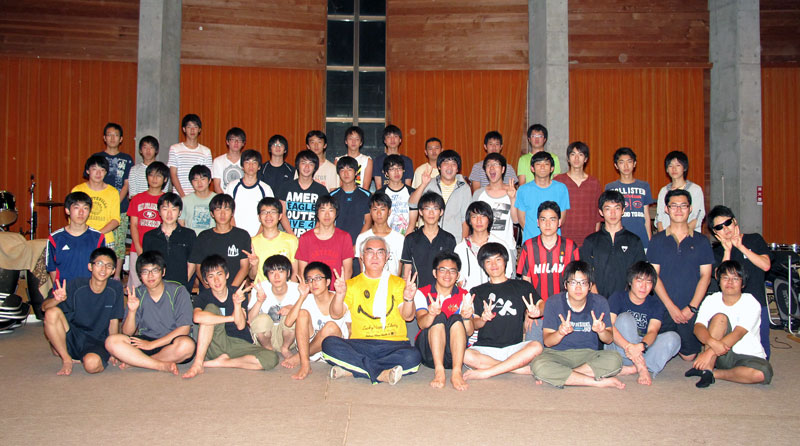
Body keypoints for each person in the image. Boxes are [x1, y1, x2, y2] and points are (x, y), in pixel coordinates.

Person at [321, 236, 422, 385]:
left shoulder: (399, 284)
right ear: (362, 256)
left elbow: (408, 317)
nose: (375, 257)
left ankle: (354, 369)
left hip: (393, 345)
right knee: (328, 344)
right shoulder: (351, 284)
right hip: (360, 344)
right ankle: (381, 373)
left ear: (387, 257)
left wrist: (408, 299)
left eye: (380, 252)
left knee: (413, 357)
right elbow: (335, 314)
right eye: (370, 252)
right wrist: (339, 295)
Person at [530, 260, 625, 389]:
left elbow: (608, 340)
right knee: (538, 365)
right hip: (557, 355)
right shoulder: (553, 302)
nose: (578, 288)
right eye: (573, 282)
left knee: (615, 359)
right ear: (565, 284)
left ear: (590, 285)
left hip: (588, 355)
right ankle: (595, 382)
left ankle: (565, 376)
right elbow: (547, 342)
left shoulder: (600, 302)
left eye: (583, 283)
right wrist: (560, 333)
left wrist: (601, 331)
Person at [182, 255, 279, 378]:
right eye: (211, 276)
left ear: (227, 275)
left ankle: (224, 362)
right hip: (216, 343)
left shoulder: (237, 293)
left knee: (271, 358)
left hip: (239, 343)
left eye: (219, 274)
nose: (216, 280)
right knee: (211, 309)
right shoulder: (203, 297)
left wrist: (237, 304)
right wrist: (230, 318)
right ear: (206, 280)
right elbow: (197, 318)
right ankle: (198, 364)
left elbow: (241, 326)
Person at [647, 189, 713, 360]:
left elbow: (706, 276)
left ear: (690, 209)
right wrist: (671, 307)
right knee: (656, 346)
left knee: (689, 356)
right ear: (666, 209)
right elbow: (654, 276)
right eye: (673, 206)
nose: (678, 210)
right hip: (663, 307)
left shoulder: (701, 241)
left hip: (689, 307)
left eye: (683, 206)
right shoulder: (657, 240)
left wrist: (692, 307)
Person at [104, 251, 195, 374]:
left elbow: (184, 329)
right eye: (145, 272)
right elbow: (127, 332)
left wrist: (152, 345)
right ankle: (159, 365)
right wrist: (132, 311)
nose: (150, 276)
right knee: (111, 341)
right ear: (140, 276)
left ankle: (139, 361)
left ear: (163, 272)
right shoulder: (137, 294)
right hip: (144, 340)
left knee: (187, 346)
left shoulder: (178, 291)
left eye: (155, 270)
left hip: (171, 341)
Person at [462, 243, 543, 380]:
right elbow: (475, 324)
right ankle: (517, 368)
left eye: (498, 259)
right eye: (488, 261)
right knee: (465, 355)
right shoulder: (477, 291)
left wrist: (537, 311)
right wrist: (483, 319)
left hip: (514, 348)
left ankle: (488, 371)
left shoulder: (522, 286)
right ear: (483, 265)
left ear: (505, 261)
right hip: (486, 348)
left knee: (537, 346)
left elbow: (541, 304)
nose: (493, 264)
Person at [686, 260, 773, 388]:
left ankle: (713, 373)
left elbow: (738, 333)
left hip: (746, 355)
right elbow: (698, 327)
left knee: (762, 374)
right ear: (719, 280)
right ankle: (708, 369)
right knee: (720, 318)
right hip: (719, 356)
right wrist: (712, 342)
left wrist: (708, 353)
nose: (730, 282)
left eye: (735, 279)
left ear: (743, 283)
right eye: (725, 278)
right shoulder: (711, 299)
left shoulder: (751, 302)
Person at [42, 247, 123, 376]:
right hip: (75, 334)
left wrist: (113, 351)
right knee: (51, 313)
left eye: (108, 266)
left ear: (113, 271)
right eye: (99, 264)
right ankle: (66, 358)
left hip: (97, 340)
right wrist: (56, 300)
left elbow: (114, 321)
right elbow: (44, 308)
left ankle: (65, 350)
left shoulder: (115, 288)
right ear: (90, 266)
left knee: (92, 365)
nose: (103, 269)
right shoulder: (76, 285)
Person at [707, 205, 773, 357]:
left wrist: (741, 247)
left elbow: (765, 265)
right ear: (715, 233)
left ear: (735, 221)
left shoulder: (754, 239)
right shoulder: (717, 251)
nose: (726, 229)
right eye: (719, 227)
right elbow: (720, 277)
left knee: (762, 355)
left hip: (757, 303)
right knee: (727, 351)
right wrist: (727, 251)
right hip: (730, 307)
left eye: (728, 223)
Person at [605, 261, 680, 385]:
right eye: (639, 281)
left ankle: (632, 368)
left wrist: (641, 346)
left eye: (648, 282)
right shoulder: (618, 297)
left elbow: (653, 331)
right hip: (620, 348)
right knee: (625, 318)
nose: (643, 286)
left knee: (674, 338)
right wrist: (628, 346)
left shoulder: (656, 304)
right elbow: (610, 326)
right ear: (630, 282)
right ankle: (641, 367)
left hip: (641, 348)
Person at [412, 252, 472, 390]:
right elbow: (421, 323)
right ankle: (439, 371)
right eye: (442, 270)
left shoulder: (465, 295)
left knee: (457, 319)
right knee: (438, 317)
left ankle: (457, 372)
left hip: (454, 353)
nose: (447, 275)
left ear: (457, 275)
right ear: (435, 273)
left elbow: (469, 331)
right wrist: (431, 314)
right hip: (428, 352)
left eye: (452, 271)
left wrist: (467, 318)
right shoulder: (422, 293)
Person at [282, 261, 351, 380]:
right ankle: (305, 364)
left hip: (332, 350)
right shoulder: (307, 299)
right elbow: (288, 323)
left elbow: (350, 328)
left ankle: (300, 356)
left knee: (330, 327)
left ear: (328, 282)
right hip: (308, 347)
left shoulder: (340, 297)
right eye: (309, 280)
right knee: (302, 314)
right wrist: (302, 296)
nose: (313, 283)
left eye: (318, 278)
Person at [580, 190, 646, 298]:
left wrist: (626, 298)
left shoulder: (634, 241)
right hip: (596, 300)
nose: (613, 213)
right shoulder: (590, 241)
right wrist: (597, 299)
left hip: (626, 301)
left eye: (617, 208)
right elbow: (585, 273)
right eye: (608, 209)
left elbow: (639, 274)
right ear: (601, 212)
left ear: (623, 210)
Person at [517, 201, 579, 303]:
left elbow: (576, 279)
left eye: (552, 219)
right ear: (538, 222)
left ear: (559, 222)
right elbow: (526, 281)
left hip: (564, 304)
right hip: (537, 305)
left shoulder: (570, 247)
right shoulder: (528, 246)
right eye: (543, 219)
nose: (547, 224)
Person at [94, 123, 134, 278]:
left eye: (116, 135)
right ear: (104, 138)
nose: (112, 138)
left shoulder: (127, 159)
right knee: (99, 240)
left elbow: (126, 184)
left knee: (119, 243)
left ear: (121, 139)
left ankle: (116, 275)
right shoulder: (97, 158)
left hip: (120, 207)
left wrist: (115, 203)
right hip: (100, 208)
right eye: (109, 135)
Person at [188, 194, 251, 290]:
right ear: (212, 213)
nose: (222, 214)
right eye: (218, 209)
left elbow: (244, 267)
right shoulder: (203, 237)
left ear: (232, 212)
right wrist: (211, 290)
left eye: (226, 209)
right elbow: (199, 267)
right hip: (209, 292)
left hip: (236, 292)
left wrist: (231, 291)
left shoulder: (242, 235)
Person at [247, 255, 300, 360]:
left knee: (292, 315)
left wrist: (292, 308)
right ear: (267, 275)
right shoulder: (260, 288)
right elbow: (250, 320)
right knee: (262, 319)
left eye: (281, 272)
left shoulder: (297, 289)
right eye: (271, 272)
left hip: (287, 335)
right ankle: (268, 349)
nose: (276, 277)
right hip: (265, 336)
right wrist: (259, 301)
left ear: (288, 273)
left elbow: (306, 317)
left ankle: (285, 348)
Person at [47, 192, 106, 283]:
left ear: (89, 212)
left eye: (85, 208)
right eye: (76, 208)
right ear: (67, 210)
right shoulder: (55, 238)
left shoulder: (98, 238)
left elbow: (101, 267)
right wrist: (59, 288)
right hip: (64, 290)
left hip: (89, 289)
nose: (81, 212)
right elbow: (52, 269)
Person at [401, 192, 457, 289]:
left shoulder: (449, 239)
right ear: (420, 212)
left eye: (435, 208)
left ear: (441, 212)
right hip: (416, 292)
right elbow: (407, 271)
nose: (431, 213)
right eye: (427, 208)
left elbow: (452, 270)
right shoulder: (410, 239)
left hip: (441, 292)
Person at [454, 201, 514, 292]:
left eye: (483, 216)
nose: (479, 221)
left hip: (496, 294)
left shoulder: (500, 245)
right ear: (469, 220)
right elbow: (458, 276)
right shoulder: (460, 248)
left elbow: (508, 272)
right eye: (474, 217)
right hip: (469, 296)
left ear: (489, 219)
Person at [142, 193, 197, 291]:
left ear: (180, 212)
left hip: (181, 289)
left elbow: (192, 264)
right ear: (159, 211)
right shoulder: (149, 236)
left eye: (174, 209)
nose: (169, 214)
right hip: (156, 289)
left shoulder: (189, 235)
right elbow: (147, 265)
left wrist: (181, 287)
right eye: (165, 209)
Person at [127, 161, 169, 288]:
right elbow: (133, 225)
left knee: (158, 284)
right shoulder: (137, 199)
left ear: (165, 179)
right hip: (137, 248)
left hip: (159, 249)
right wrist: (139, 248)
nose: (154, 179)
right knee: (136, 285)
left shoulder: (167, 200)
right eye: (151, 175)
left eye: (159, 175)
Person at [604, 147, 655, 249]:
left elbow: (646, 216)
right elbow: (607, 216)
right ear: (616, 165)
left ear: (634, 163)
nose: (626, 166)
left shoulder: (644, 186)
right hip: (619, 238)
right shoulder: (610, 187)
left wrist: (649, 240)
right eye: (622, 162)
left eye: (629, 161)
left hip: (641, 238)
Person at [295, 195, 354, 281]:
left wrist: (341, 287)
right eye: (323, 210)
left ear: (336, 213)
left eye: (331, 210)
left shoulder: (344, 237)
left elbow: (348, 270)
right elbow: (302, 271)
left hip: (337, 288)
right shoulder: (305, 238)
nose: (327, 215)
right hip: (312, 288)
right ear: (317, 213)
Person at [554, 141, 602, 246]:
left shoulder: (594, 182)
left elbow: (597, 214)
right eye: (573, 154)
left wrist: (596, 237)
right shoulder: (558, 181)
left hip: (588, 238)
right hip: (563, 238)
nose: (576, 158)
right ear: (568, 159)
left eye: (580, 154)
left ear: (586, 159)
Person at [515, 151, 570, 243]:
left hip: (554, 241)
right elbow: (522, 220)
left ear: (552, 168)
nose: (542, 167)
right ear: (532, 168)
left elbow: (562, 218)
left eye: (546, 164)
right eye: (538, 164)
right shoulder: (523, 190)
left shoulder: (561, 188)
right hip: (530, 242)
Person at [71, 155, 120, 255]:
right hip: (81, 238)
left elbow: (115, 220)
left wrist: (96, 234)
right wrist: (84, 235)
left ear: (106, 172)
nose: (98, 173)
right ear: (88, 171)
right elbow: (72, 216)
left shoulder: (113, 192)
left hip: (105, 239)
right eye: (94, 169)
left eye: (102, 170)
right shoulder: (78, 190)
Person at [419, 150, 472, 242]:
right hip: (429, 240)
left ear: (458, 169)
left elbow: (465, 219)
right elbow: (412, 204)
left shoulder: (464, 188)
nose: (449, 167)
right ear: (439, 166)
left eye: (453, 164)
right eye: (446, 163)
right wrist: (423, 185)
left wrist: (463, 244)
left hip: (454, 240)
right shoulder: (429, 184)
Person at [472, 152, 518, 255]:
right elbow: (473, 221)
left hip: (507, 248)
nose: (492, 168)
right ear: (485, 170)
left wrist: (512, 198)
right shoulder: (479, 194)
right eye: (488, 165)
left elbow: (516, 220)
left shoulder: (512, 191)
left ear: (503, 169)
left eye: (496, 164)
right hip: (483, 249)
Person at [276, 149, 329, 237]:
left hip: (313, 237)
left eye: (311, 164)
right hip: (289, 237)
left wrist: (310, 236)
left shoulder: (321, 190)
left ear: (315, 167)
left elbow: (323, 216)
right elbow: (282, 214)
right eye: (303, 163)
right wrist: (292, 236)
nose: (307, 167)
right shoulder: (286, 187)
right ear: (298, 165)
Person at [247, 197, 299, 284]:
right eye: (264, 212)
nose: (268, 216)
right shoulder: (252, 242)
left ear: (280, 216)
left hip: (285, 289)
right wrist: (254, 265)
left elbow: (294, 273)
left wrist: (292, 290)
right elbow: (252, 276)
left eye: (273, 212)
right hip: (261, 290)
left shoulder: (292, 240)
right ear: (259, 217)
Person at [225, 149, 274, 236]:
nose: (251, 165)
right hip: (236, 236)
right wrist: (236, 234)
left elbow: (270, 214)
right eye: (247, 162)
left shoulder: (266, 189)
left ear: (259, 167)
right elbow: (227, 212)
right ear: (242, 166)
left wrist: (257, 237)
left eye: (254, 162)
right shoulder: (232, 187)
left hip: (259, 237)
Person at [354, 192, 405, 276]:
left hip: (391, 283)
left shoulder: (399, 239)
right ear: (370, 212)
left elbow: (399, 269)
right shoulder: (362, 238)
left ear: (389, 211)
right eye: (375, 209)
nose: (378, 213)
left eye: (382, 209)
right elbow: (362, 268)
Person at [655, 151, 705, 232]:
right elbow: (659, 217)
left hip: (689, 235)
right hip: (667, 236)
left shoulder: (695, 190)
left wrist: (681, 234)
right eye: (670, 166)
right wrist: (663, 236)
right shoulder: (663, 191)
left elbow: (698, 216)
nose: (674, 169)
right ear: (667, 169)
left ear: (684, 168)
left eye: (678, 165)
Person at [330, 156, 371, 245]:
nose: (346, 173)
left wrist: (358, 244)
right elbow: (330, 222)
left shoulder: (366, 195)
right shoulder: (332, 196)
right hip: (337, 243)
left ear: (356, 172)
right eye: (342, 170)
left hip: (360, 243)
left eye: (349, 170)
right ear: (338, 173)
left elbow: (368, 221)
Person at [168, 113, 212, 197]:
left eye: (195, 127)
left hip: (199, 197)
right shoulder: (175, 149)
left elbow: (207, 176)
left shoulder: (206, 151)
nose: (192, 130)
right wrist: (183, 196)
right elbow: (173, 174)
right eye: (189, 127)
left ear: (199, 129)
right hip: (179, 196)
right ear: (184, 129)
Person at [378, 154, 420, 235]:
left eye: (399, 168)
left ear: (403, 170)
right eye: (392, 169)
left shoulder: (411, 192)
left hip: (408, 235)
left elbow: (413, 221)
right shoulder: (381, 193)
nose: (396, 172)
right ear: (386, 173)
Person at [178, 165, 217, 235]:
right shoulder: (184, 201)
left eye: (203, 179)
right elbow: (181, 225)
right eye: (195, 180)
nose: (199, 183)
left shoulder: (217, 199)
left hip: (212, 238)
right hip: (191, 239)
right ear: (191, 182)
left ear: (209, 180)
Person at [129, 135, 170, 200]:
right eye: (145, 147)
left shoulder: (163, 169)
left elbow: (164, 193)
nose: (148, 150)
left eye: (151, 147)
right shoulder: (134, 170)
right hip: (139, 204)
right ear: (140, 150)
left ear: (156, 150)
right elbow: (133, 195)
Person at [373, 125, 413, 189]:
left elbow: (407, 186)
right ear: (385, 141)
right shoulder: (377, 161)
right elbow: (379, 186)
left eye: (395, 136)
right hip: (384, 194)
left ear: (400, 140)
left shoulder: (407, 161)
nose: (392, 139)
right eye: (389, 137)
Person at [211, 127, 245, 194]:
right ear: (227, 142)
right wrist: (224, 199)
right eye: (233, 139)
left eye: (239, 140)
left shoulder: (247, 162)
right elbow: (217, 186)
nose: (236, 142)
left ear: (243, 143)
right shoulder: (218, 161)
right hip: (223, 198)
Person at [340, 126, 373, 190]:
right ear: (346, 141)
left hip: (361, 194)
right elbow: (339, 184)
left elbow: (366, 186)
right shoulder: (338, 160)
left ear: (361, 142)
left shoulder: (367, 160)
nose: (353, 142)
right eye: (350, 138)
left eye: (357, 139)